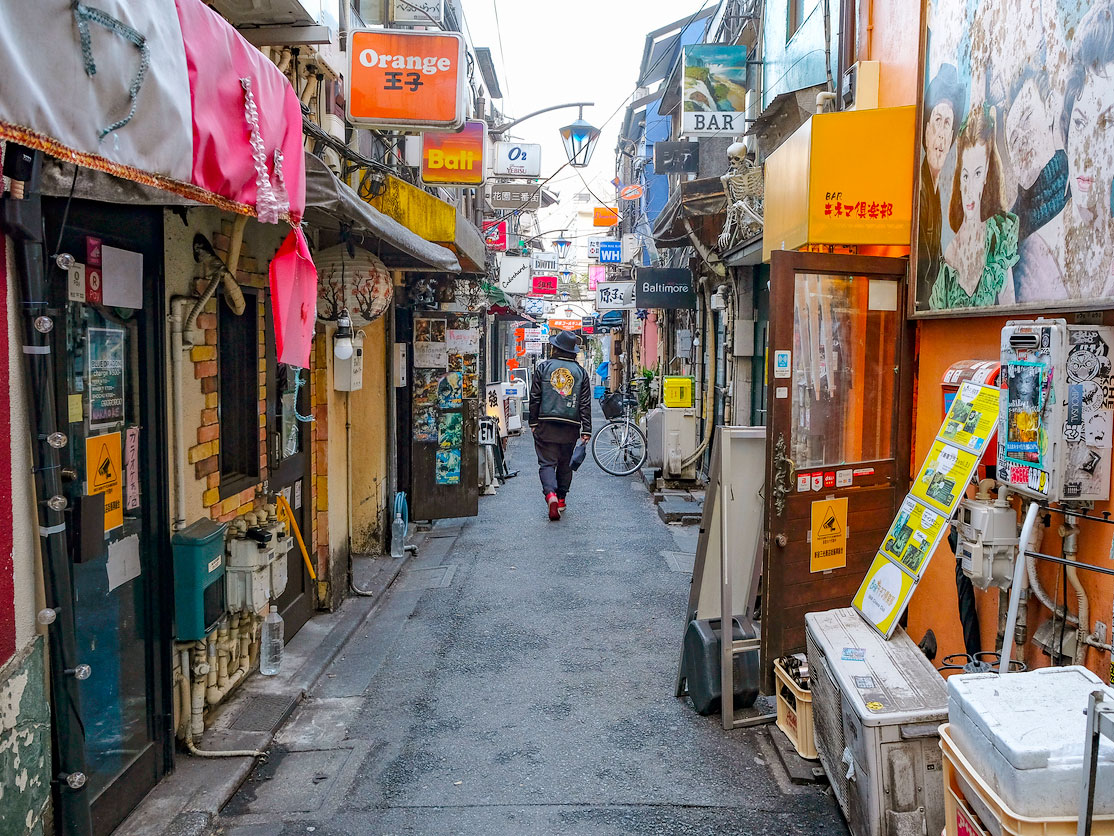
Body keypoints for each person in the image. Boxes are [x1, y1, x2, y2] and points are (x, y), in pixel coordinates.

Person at [928, 105, 1019, 310]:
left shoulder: (999, 238)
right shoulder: (950, 252)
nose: (969, 189)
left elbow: (1011, 312)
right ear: (959, 177)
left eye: (977, 174)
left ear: (987, 173)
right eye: (965, 175)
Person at [916, 64, 966, 309]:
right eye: (937, 120)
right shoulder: (921, 191)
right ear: (926, 129)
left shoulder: (936, 194)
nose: (942, 135)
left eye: (949, 124)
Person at [528, 329, 592, 521]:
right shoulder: (580, 372)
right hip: (570, 425)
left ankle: (550, 495)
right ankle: (562, 499)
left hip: (545, 423)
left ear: (555, 348)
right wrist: (586, 429)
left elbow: (535, 397)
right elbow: (585, 402)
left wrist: (533, 421)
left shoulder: (543, 367)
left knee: (547, 463)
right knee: (565, 464)